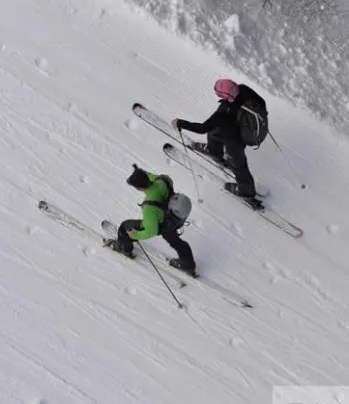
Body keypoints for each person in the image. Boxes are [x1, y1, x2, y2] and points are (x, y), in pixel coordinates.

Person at [171, 78, 267, 206]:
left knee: (239, 168)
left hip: (235, 142)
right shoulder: (244, 89)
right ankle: (213, 151)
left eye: (219, 94)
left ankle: (246, 193)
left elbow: (202, 128)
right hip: (239, 131)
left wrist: (180, 123)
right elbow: (262, 103)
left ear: (227, 96)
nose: (218, 95)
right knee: (214, 133)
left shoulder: (224, 111)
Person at [105, 164, 196, 274]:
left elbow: (152, 231)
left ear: (138, 188)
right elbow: (155, 177)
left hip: (162, 224)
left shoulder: (149, 208)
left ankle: (124, 248)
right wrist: (142, 174)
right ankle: (188, 265)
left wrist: (135, 234)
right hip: (172, 220)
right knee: (177, 243)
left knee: (125, 226)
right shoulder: (162, 182)